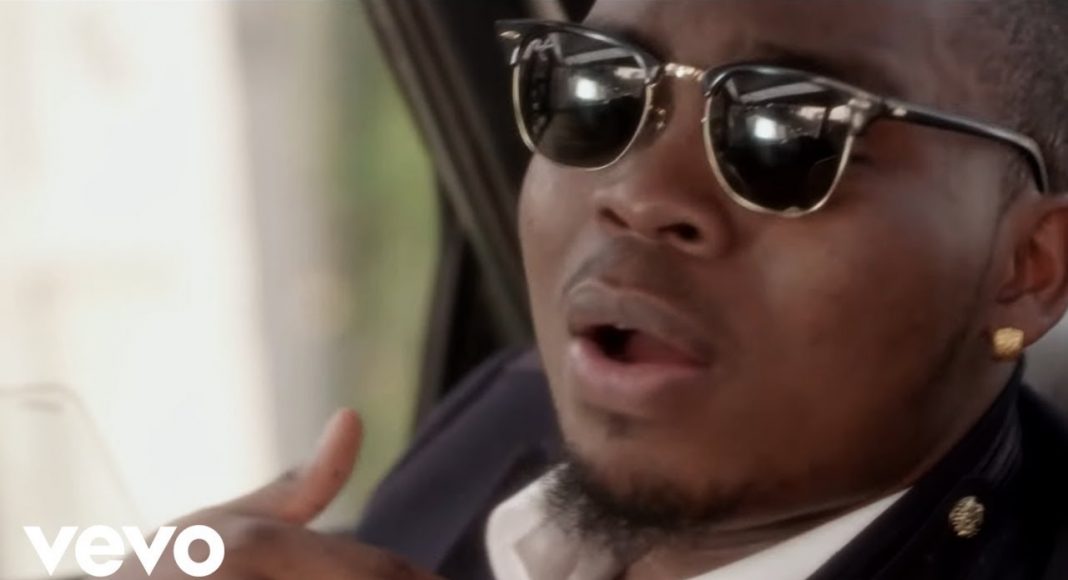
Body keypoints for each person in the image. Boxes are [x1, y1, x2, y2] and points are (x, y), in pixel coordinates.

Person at [115, 1, 1068, 578]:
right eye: (596, 89)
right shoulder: (512, 414)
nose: (639, 193)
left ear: (1029, 267)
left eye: (792, 130)